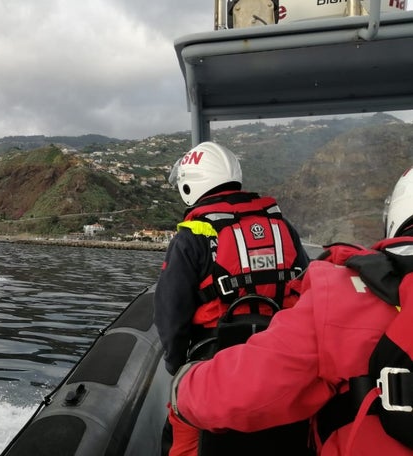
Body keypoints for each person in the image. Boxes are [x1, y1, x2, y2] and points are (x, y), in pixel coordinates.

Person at [170, 167, 413, 455]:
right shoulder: (280, 224)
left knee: (184, 409)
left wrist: (179, 380)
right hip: (272, 328)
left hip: (224, 353)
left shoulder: (342, 296)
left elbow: (240, 390)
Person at [155, 141, 310, 456]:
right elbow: (308, 285)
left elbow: (171, 312)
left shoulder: (192, 237)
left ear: (190, 184)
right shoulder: (283, 227)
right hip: (283, 361)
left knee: (182, 429)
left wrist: (176, 363)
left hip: (217, 366)